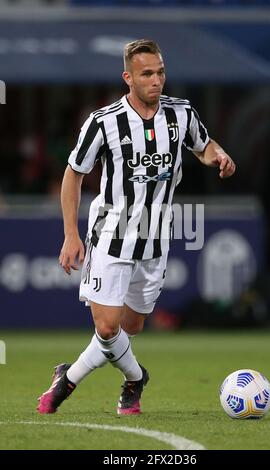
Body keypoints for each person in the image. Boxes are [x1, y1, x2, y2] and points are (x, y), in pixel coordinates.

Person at [37, 39, 235, 416]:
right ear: (128, 77)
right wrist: (70, 234)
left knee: (130, 328)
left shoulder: (182, 113)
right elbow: (73, 175)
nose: (156, 80)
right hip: (112, 233)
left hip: (157, 236)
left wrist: (218, 156)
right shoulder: (104, 121)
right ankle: (119, 379)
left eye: (160, 72)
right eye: (147, 74)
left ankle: (81, 374)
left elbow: (204, 145)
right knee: (109, 328)